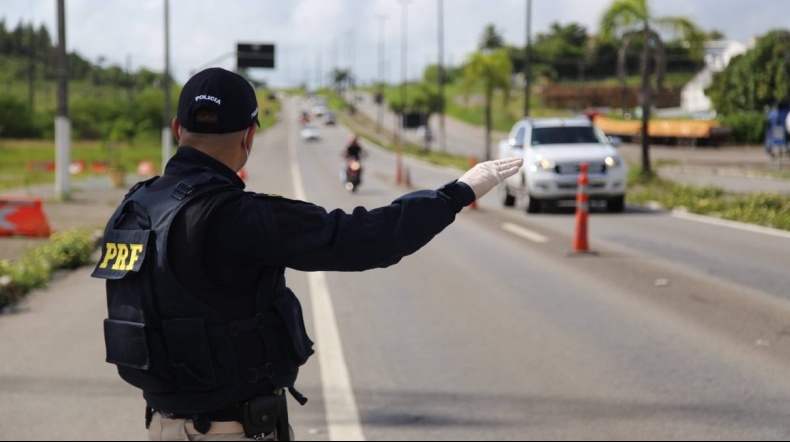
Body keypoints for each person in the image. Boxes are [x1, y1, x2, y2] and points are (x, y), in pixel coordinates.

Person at [91, 67, 523, 441]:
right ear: (249, 135)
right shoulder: (239, 216)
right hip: (233, 429)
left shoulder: (135, 206)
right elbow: (365, 238)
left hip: (161, 425)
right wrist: (456, 193)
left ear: (176, 128)